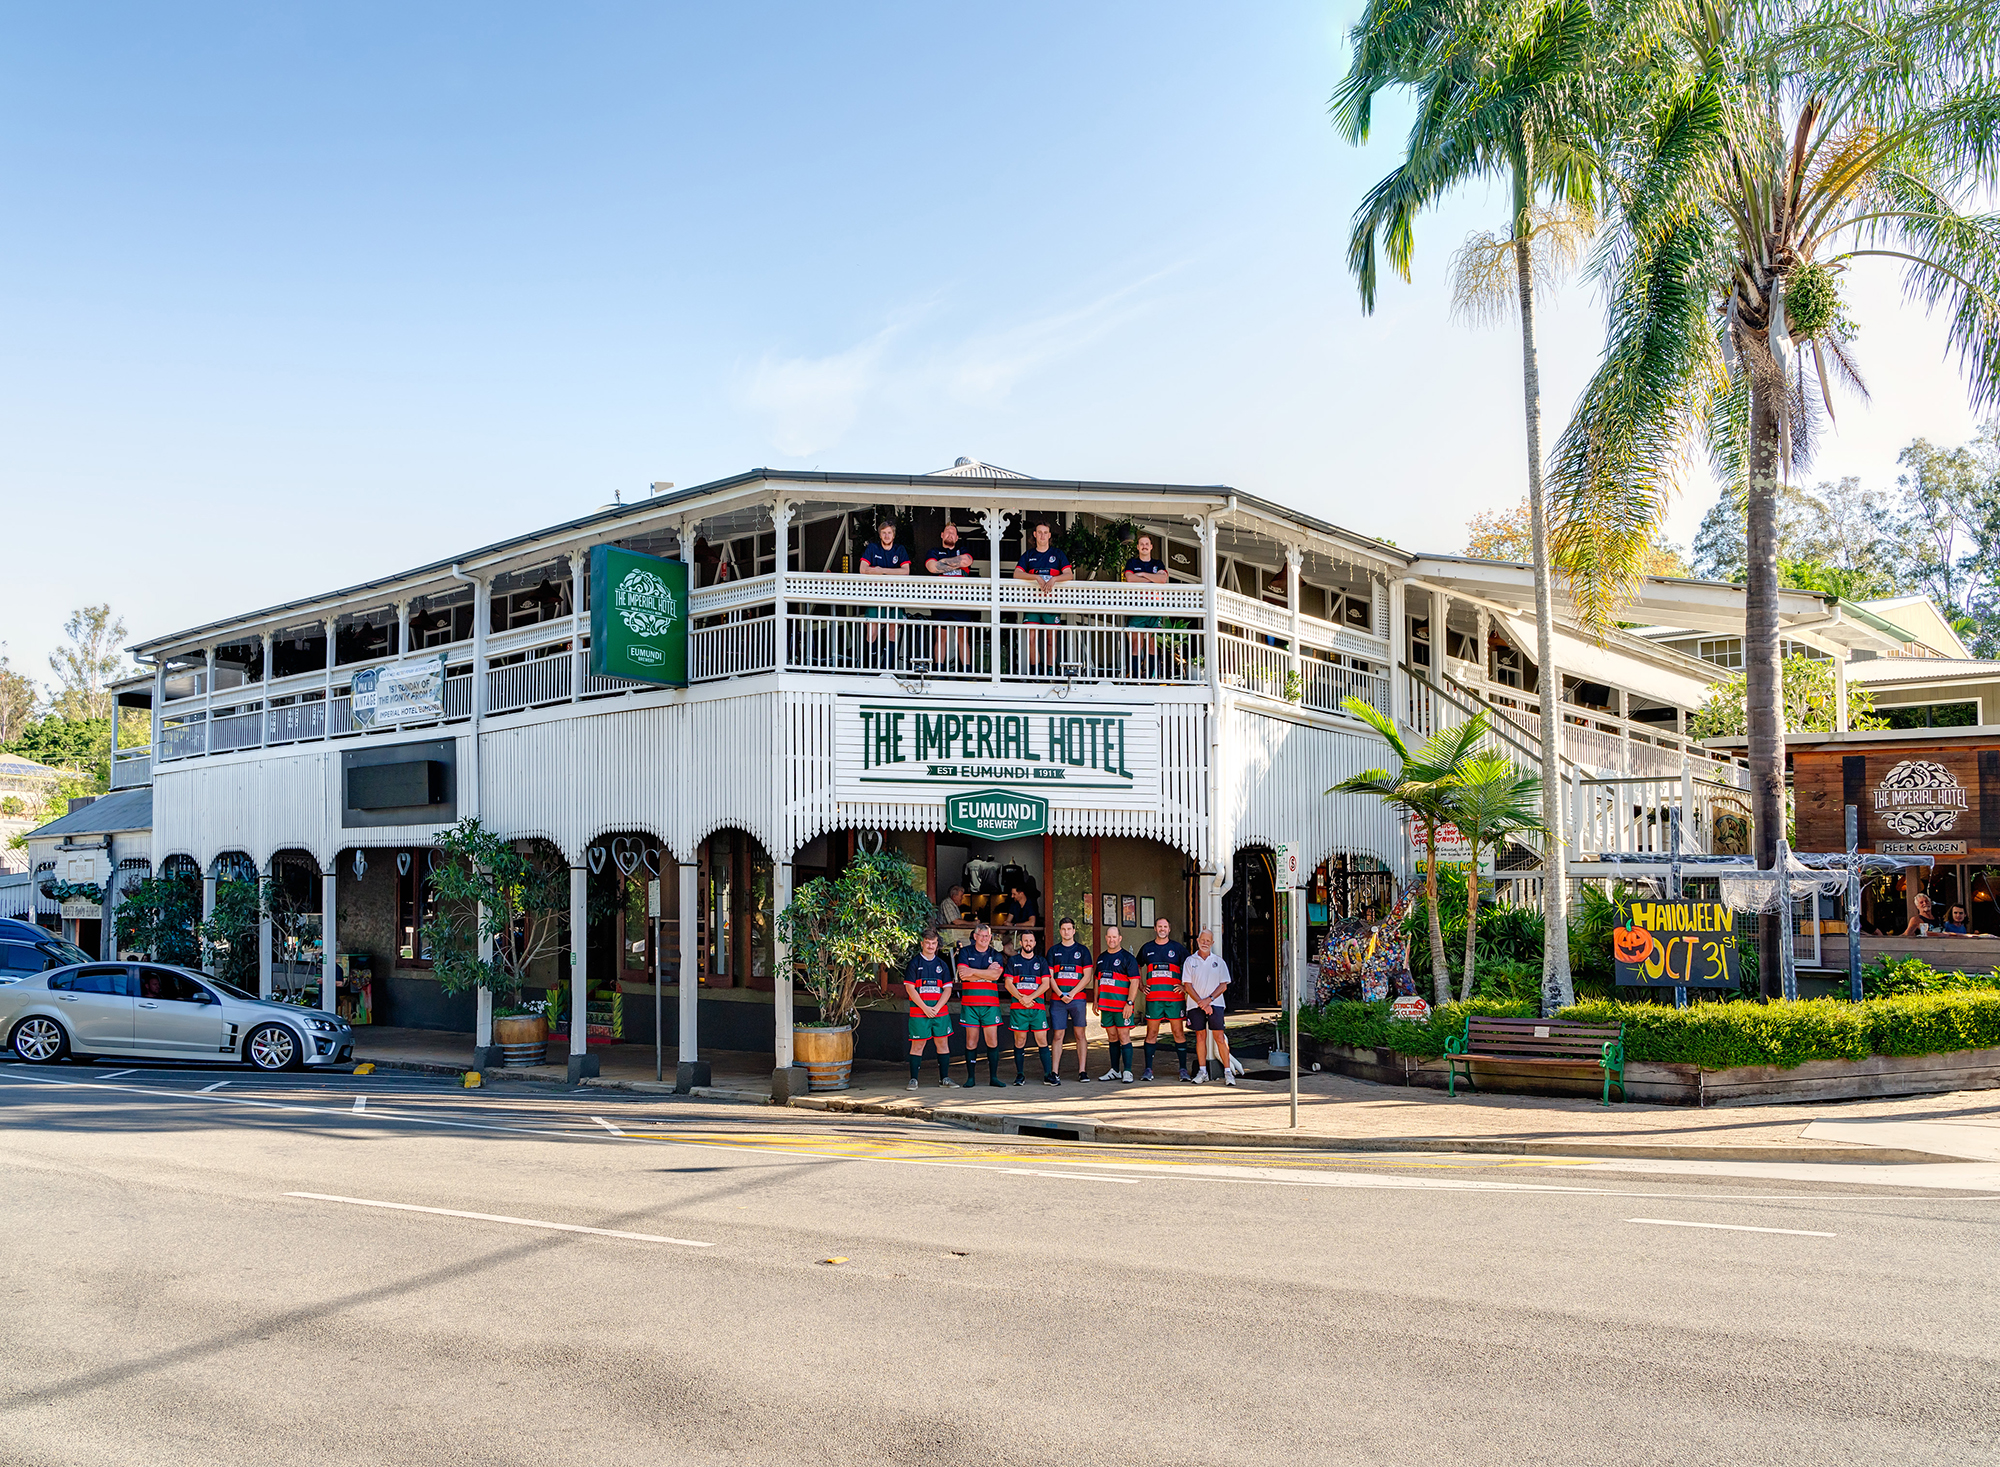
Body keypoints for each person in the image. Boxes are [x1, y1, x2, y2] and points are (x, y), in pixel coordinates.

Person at [1013, 517, 1072, 676]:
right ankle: (1035, 671)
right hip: (1032, 602)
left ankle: (1050, 670)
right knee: (1031, 638)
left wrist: (1054, 579)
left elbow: (1069, 575)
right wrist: (1036, 578)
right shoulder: (1029, 555)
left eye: (1045, 533)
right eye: (1039, 533)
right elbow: (1017, 574)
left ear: (1049, 535)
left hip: (1051, 603)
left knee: (1051, 640)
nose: (1042, 536)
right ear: (1034, 534)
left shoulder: (1057, 554)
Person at [902, 930, 959, 1090]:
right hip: (919, 1012)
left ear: (937, 945)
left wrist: (936, 1008)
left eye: (933, 943)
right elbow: (910, 989)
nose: (930, 946)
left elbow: (947, 990)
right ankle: (913, 1080)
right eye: (927, 942)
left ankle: (945, 1079)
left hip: (939, 1012)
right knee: (918, 1045)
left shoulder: (942, 965)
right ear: (922, 943)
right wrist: (925, 1008)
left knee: (942, 1043)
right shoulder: (914, 963)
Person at [1137, 916, 1191, 1081]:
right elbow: (1136, 966)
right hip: (1154, 998)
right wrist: (1141, 985)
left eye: (1165, 926)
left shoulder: (1177, 948)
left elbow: (1190, 966)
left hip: (1174, 999)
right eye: (1159, 926)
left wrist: (1184, 987)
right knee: (1152, 1033)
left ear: (1169, 929)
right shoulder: (1147, 948)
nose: (1162, 929)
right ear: (1155, 928)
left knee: (1178, 1033)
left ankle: (1183, 1069)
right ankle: (1148, 1070)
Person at [954, 923, 1008, 1088]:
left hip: (990, 1004)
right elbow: (963, 975)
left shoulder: (996, 954)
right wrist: (985, 972)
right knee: (971, 1042)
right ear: (975, 936)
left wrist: (974, 972)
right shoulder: (965, 952)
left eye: (987, 936)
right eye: (981, 935)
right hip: (970, 1003)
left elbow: (996, 975)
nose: (984, 939)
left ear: (990, 938)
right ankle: (971, 1078)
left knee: (992, 1041)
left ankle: (994, 1077)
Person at [1182, 927, 1236, 1085]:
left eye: (1208, 941)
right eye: (1202, 940)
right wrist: (1201, 1002)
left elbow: (1223, 985)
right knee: (1200, 1037)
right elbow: (1187, 985)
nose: (1204, 943)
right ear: (1197, 941)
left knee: (1219, 1037)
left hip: (1216, 1004)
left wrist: (1209, 1000)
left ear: (1212, 943)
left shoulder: (1218, 961)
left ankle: (1228, 1073)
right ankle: (1202, 1071)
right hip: (1195, 1005)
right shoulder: (1190, 961)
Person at [1003, 929, 1056, 1085]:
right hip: (1019, 1009)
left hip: (1037, 1008)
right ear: (1020, 943)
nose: (1028, 943)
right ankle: (1020, 1075)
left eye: (1030, 941)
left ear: (1034, 942)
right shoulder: (1013, 961)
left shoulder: (1041, 962)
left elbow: (1046, 984)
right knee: (1020, 1041)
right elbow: (1008, 983)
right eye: (1025, 941)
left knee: (1042, 1040)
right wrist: (1021, 999)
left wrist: (1029, 998)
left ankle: (1048, 1075)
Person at [1046, 916, 1094, 1081]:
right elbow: (1049, 977)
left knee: (1080, 1034)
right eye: (1063, 929)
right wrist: (1060, 994)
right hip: (1057, 1000)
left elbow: (1087, 976)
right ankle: (1055, 1072)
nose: (1066, 932)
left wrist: (1072, 994)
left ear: (1074, 931)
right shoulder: (1053, 951)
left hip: (1078, 999)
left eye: (1069, 929)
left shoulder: (1083, 951)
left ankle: (1082, 1072)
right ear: (1060, 931)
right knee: (1058, 1035)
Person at [925, 520, 977, 672]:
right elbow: (932, 567)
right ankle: (939, 671)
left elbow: (967, 560)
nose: (950, 534)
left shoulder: (963, 550)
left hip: (961, 601)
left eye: (953, 533)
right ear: (942, 535)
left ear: (956, 537)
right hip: (941, 600)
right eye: (947, 531)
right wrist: (956, 563)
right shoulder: (934, 551)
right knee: (941, 638)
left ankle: (966, 672)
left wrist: (943, 563)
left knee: (963, 638)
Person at [858, 517, 911, 667]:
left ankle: (888, 668)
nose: (887, 536)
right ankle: (870, 667)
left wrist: (881, 571)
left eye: (889, 533)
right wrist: (891, 573)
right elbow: (863, 569)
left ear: (893, 535)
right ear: (880, 534)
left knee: (892, 633)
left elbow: (905, 571)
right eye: (884, 533)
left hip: (894, 597)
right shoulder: (873, 549)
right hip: (874, 597)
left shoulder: (900, 550)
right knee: (872, 633)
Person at [1093, 923, 1141, 1082]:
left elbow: (1134, 982)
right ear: (1106, 938)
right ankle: (1114, 1070)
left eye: (1115, 937)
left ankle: (1127, 1071)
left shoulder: (1128, 958)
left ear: (1120, 938)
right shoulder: (1101, 958)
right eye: (1109, 937)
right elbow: (1097, 981)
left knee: (1124, 1036)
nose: (1112, 940)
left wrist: (1129, 1003)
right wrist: (1095, 1001)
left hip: (1122, 1007)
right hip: (1106, 1006)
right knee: (1112, 1036)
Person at [1122, 532, 1169, 677]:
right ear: (1137, 547)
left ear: (1151, 547)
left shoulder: (1158, 563)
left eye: (1147, 544)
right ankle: (1136, 676)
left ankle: (1151, 677)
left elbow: (1162, 579)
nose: (1144, 546)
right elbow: (1129, 579)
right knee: (1137, 644)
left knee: (1152, 644)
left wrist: (1142, 575)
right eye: (1141, 544)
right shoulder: (1132, 563)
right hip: (1137, 607)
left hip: (1155, 607)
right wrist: (1152, 579)